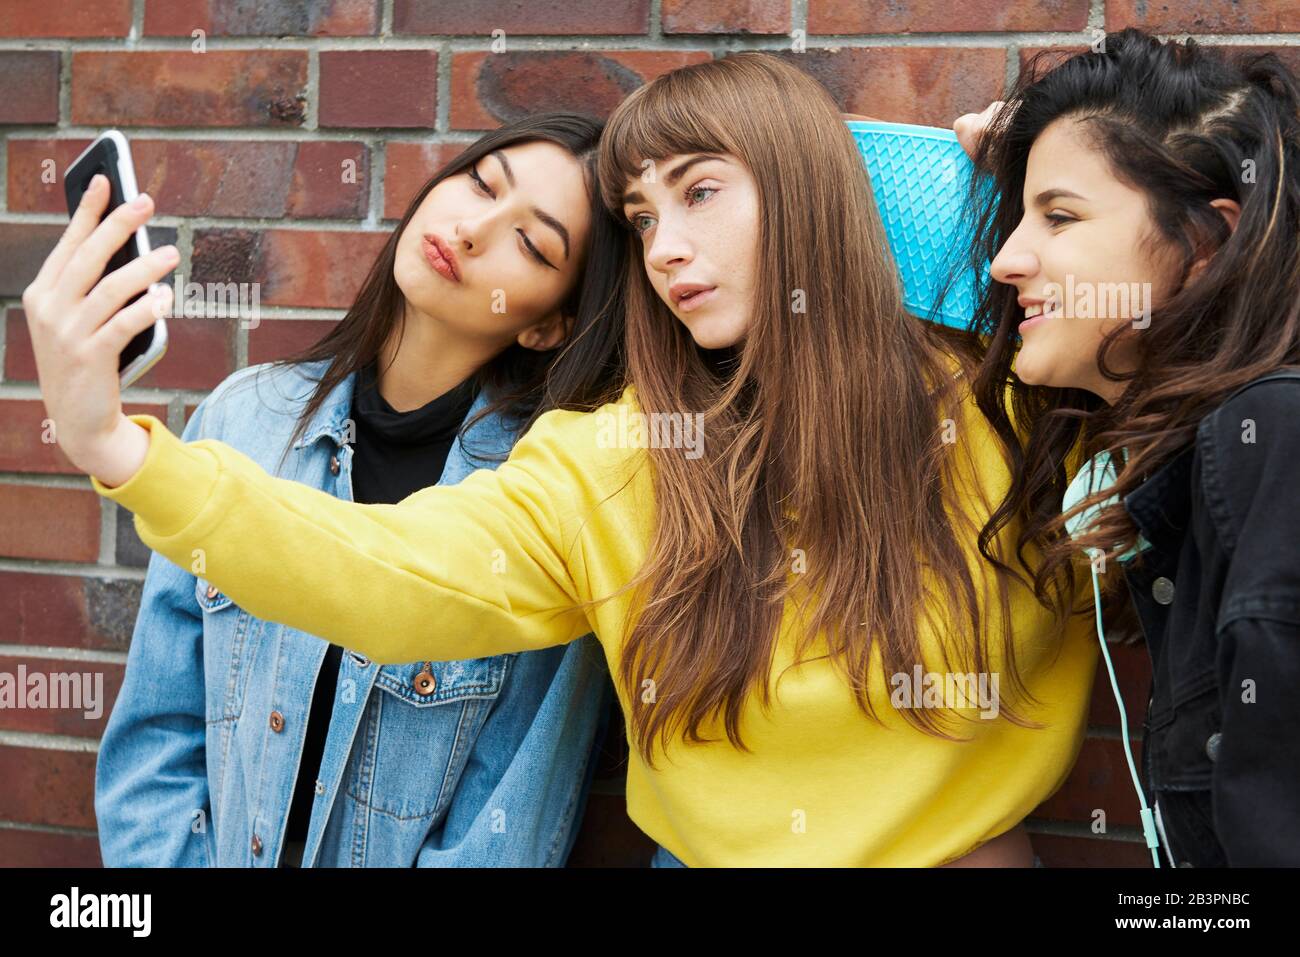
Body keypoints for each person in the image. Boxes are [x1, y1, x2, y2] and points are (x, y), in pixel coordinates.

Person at [31, 53, 1099, 867]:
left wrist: (1045, 159)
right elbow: (386, 570)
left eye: (701, 192)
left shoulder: (1011, 394)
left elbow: (1217, 302)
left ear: (804, 181)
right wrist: (120, 449)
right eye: (640, 217)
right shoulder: (615, 455)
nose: (666, 245)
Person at [92, 113, 629, 867]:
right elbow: (157, 734)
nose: (472, 229)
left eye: (532, 243)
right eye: (480, 183)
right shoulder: (243, 417)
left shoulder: (547, 503)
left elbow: (504, 827)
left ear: (548, 325)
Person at [963, 28, 1300, 866]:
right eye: (1015, 218)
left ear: (1203, 245)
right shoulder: (1228, 457)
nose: (1004, 261)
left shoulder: (1276, 447)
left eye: (1060, 216)